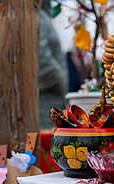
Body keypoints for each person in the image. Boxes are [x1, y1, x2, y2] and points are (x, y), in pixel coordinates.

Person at [39, 0, 68, 129]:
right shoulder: (39, 17)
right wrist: (60, 81)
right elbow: (41, 57)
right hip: (46, 99)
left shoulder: (42, 16)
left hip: (49, 96)